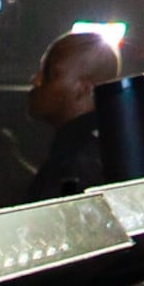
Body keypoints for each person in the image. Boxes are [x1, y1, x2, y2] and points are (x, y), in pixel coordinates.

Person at [24, 31, 120, 201]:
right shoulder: (106, 149)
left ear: (83, 87)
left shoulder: (80, 162)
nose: (36, 80)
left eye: (51, 74)